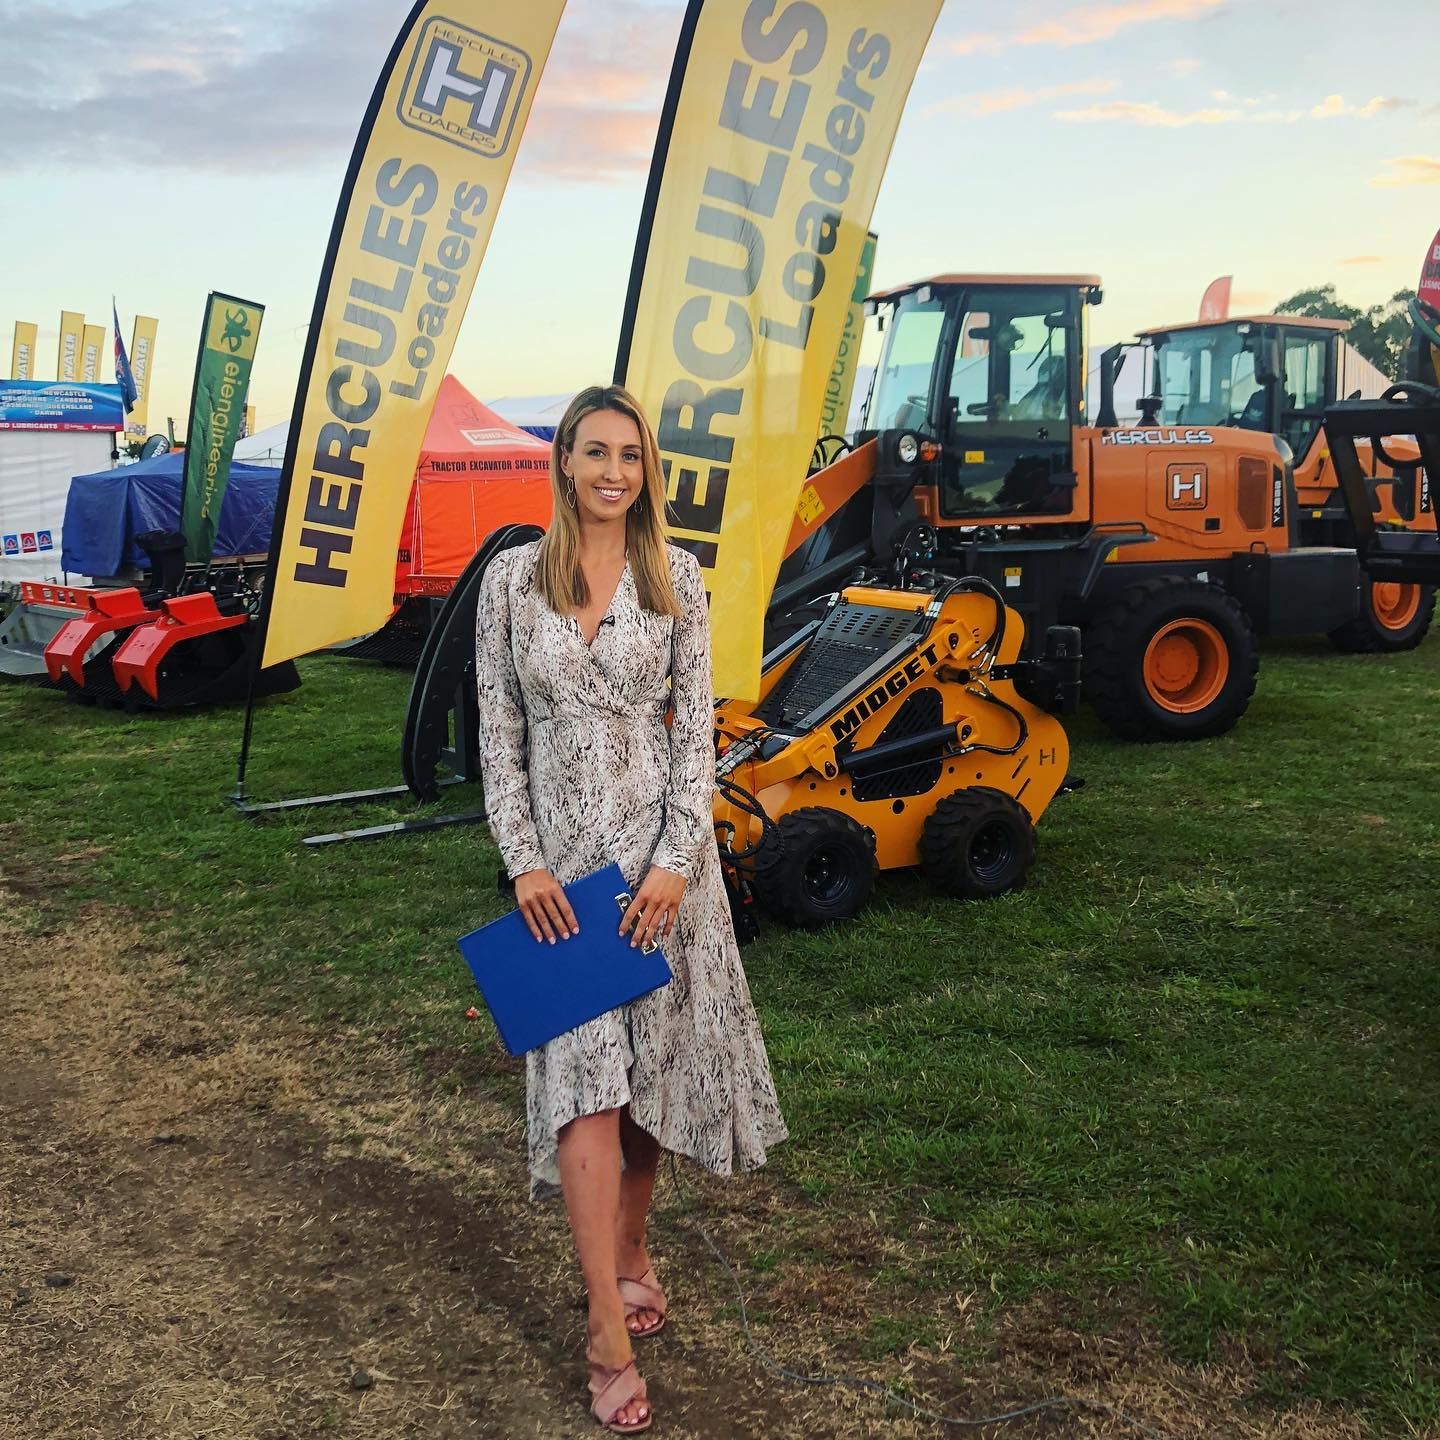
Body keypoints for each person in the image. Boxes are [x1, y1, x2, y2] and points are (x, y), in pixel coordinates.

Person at [475, 384, 788, 1434]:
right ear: (563, 460)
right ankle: (605, 1331)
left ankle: (631, 1244)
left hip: (661, 876)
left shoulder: (676, 576)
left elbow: (697, 734)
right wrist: (524, 865)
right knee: (585, 1091)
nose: (614, 471)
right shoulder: (511, 580)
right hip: (563, 884)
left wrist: (677, 861)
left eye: (631, 455)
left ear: (646, 471)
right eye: (596, 451)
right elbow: (497, 738)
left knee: (651, 1077)